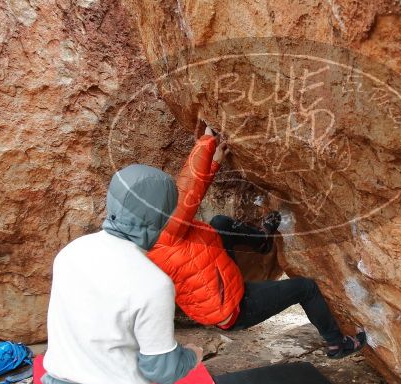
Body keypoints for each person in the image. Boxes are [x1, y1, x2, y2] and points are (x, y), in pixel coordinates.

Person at [41, 164, 203, 384]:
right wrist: (192, 356)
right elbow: (160, 368)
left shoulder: (70, 253)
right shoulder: (152, 282)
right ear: (160, 219)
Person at [147, 120, 367, 358]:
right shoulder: (166, 233)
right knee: (306, 288)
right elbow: (189, 189)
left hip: (218, 287)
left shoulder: (151, 234)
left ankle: (261, 240)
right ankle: (336, 344)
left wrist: (215, 163)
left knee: (220, 225)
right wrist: (207, 141)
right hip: (234, 309)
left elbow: (191, 198)